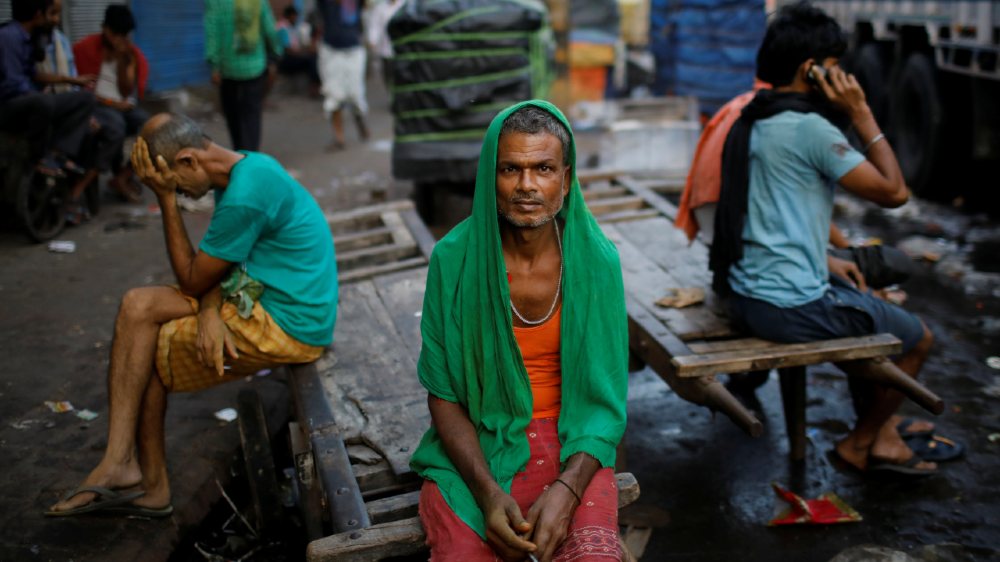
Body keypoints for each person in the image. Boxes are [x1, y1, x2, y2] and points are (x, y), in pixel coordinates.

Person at [45, 112, 338, 517]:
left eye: (177, 185)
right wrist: (210, 307)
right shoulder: (246, 166)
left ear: (187, 160)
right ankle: (122, 464)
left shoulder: (244, 194)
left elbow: (191, 278)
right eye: (176, 194)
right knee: (137, 305)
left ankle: (144, 480)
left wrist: (164, 201)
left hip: (289, 323)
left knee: (143, 348)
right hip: (267, 294)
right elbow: (215, 268)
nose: (182, 195)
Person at [709, 2, 941, 476]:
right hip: (788, 307)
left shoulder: (752, 116)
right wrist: (861, 112)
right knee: (919, 340)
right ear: (810, 70)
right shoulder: (809, 128)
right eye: (835, 67)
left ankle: (885, 432)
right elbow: (895, 191)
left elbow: (772, 215)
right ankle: (859, 443)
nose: (845, 77)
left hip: (745, 292)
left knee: (862, 292)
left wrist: (828, 260)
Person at [411, 101, 629, 560]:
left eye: (544, 168)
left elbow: (604, 407)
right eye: (510, 168)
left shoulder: (597, 264)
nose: (527, 185)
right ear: (490, 178)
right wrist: (488, 494)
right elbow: (445, 395)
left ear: (566, 181)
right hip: (478, 446)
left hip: (575, 444)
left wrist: (568, 490)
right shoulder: (454, 260)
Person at [0, 0, 95, 176]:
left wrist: (72, 81)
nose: (55, 20)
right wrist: (38, 93)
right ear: (38, 15)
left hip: (28, 101)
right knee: (43, 101)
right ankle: (39, 158)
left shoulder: (29, 37)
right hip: (8, 106)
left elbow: (33, 74)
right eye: (50, 13)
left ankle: (58, 152)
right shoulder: (8, 36)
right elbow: (13, 84)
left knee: (85, 98)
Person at [71, 4, 151, 209]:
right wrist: (111, 103)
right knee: (116, 127)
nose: (119, 39)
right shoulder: (85, 48)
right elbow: (81, 91)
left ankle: (124, 176)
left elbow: (127, 92)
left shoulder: (131, 54)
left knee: (153, 127)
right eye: (116, 34)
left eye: (123, 35)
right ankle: (86, 182)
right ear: (105, 28)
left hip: (122, 106)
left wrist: (126, 62)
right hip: (97, 105)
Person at [204, 0, 282, 151]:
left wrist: (214, 65)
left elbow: (212, 32)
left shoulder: (215, 2)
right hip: (254, 68)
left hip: (227, 69)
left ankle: (239, 152)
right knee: (252, 116)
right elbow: (270, 30)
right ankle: (251, 155)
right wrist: (276, 52)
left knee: (233, 116)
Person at [316, 0, 369, 150]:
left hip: (354, 51)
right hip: (331, 51)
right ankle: (339, 138)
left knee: (355, 94)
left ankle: (359, 119)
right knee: (334, 95)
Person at [275, 5, 319, 90]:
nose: (296, 18)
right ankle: (314, 86)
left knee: (313, 58)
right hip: (284, 60)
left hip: (292, 56)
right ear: (289, 16)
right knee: (311, 60)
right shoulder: (282, 28)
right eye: (294, 16)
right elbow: (288, 49)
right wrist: (303, 51)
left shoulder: (292, 27)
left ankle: (315, 85)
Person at [365, 0, 404, 94]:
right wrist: (372, 40)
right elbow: (375, 26)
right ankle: (391, 94)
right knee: (388, 75)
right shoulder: (380, 8)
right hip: (386, 48)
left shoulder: (404, 5)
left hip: (402, 49)